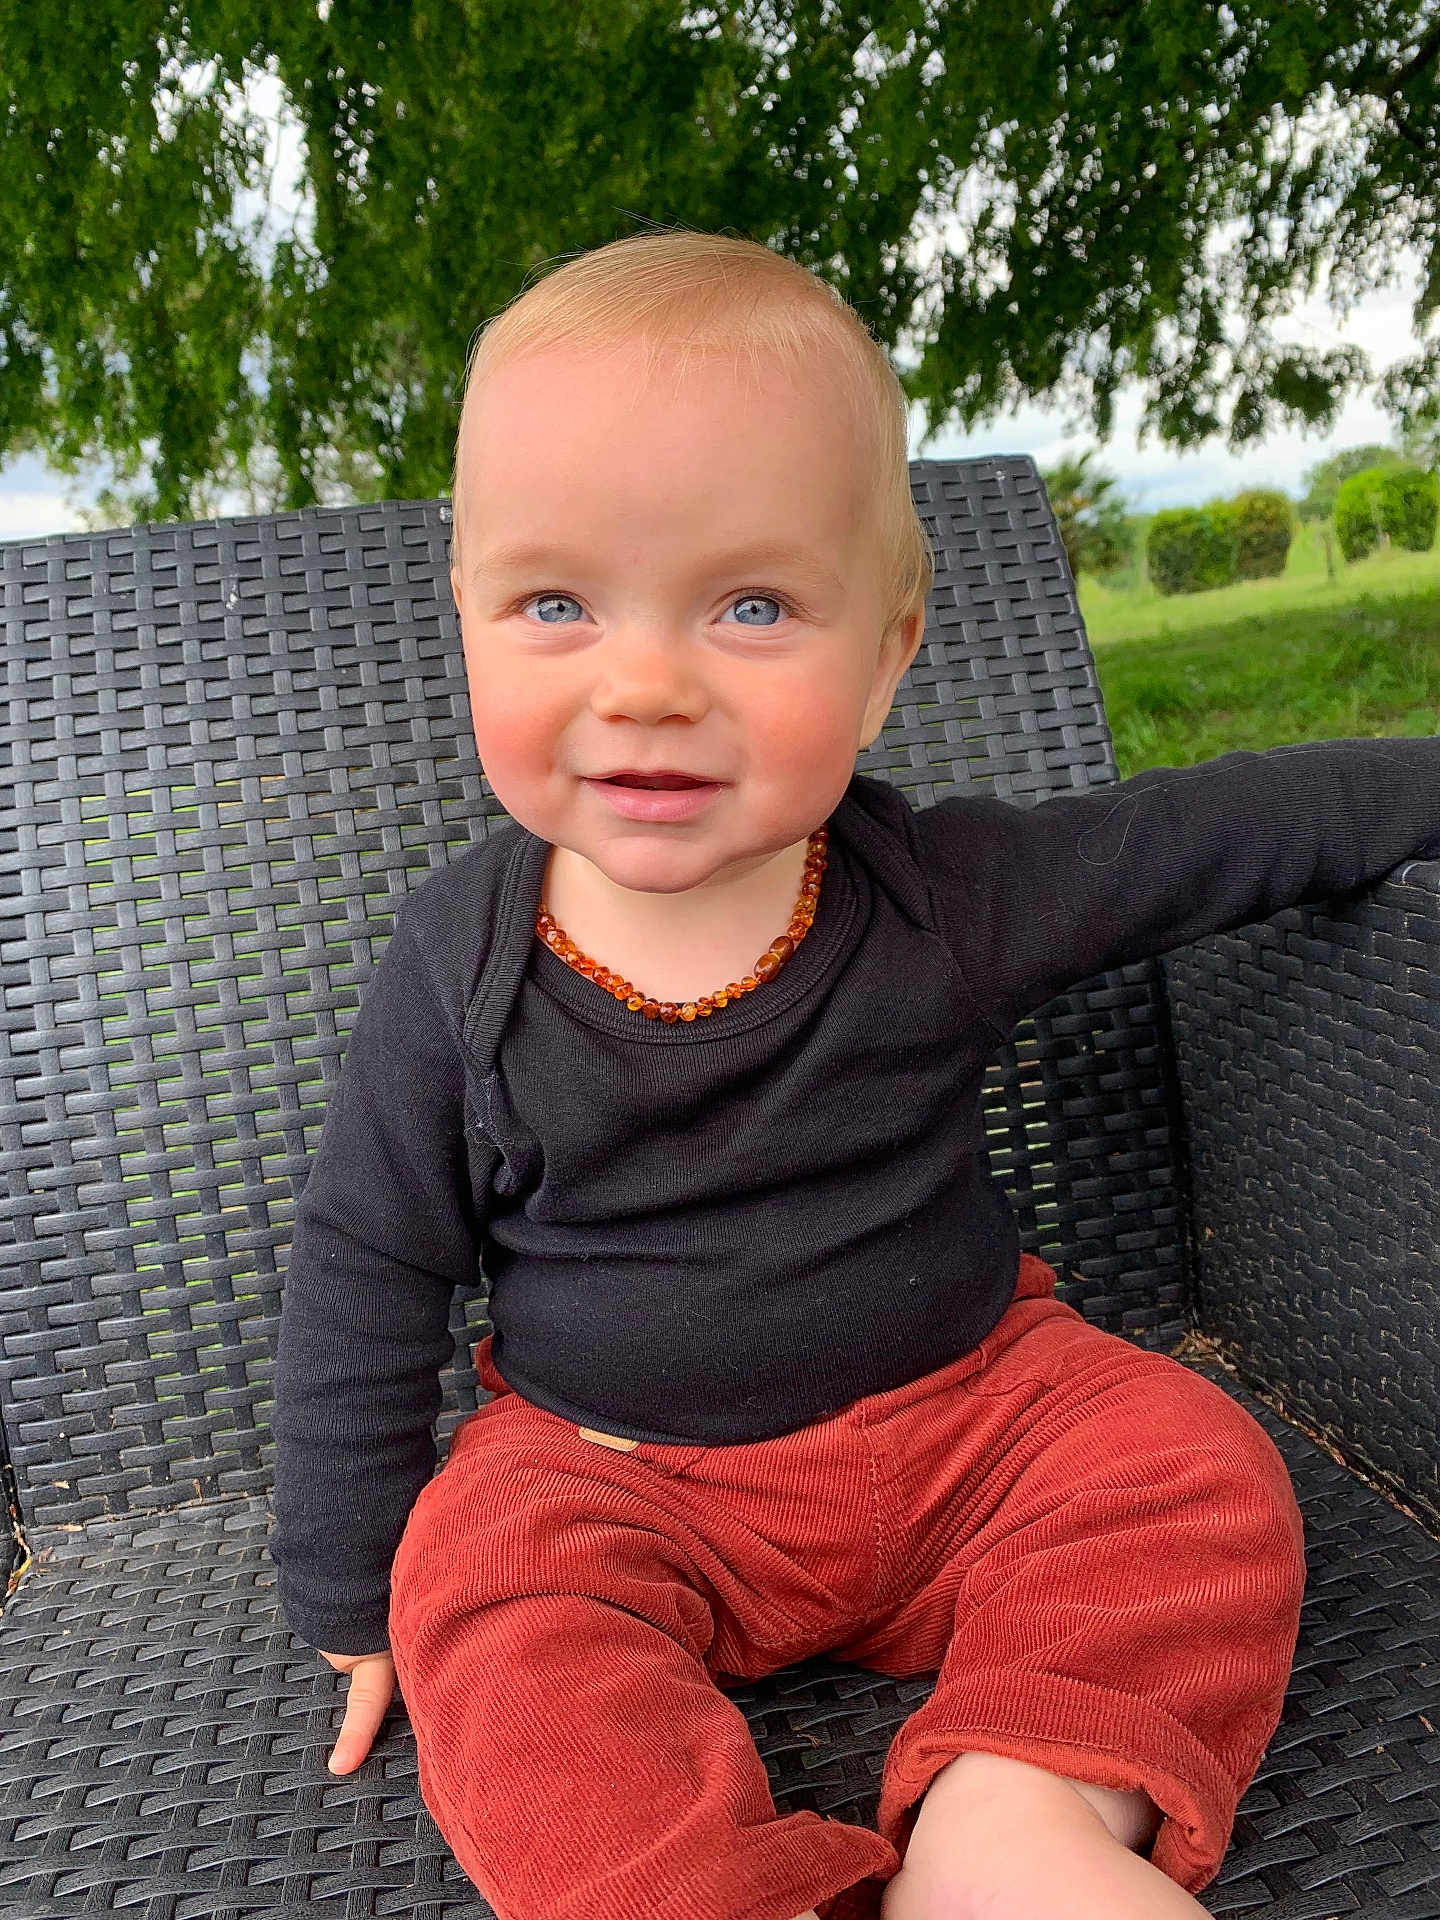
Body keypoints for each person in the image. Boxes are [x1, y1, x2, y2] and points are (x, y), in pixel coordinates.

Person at [270, 227, 1440, 1920]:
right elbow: (370, 1260)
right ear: (465, 622)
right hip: (618, 1477)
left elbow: (1216, 835)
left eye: (751, 605)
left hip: (976, 1422)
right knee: (488, 1600)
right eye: (555, 604)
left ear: (888, 653)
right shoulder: (464, 967)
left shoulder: (941, 893)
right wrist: (354, 1588)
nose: (648, 683)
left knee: (1188, 1464)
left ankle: (1023, 1812)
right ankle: (702, 1891)